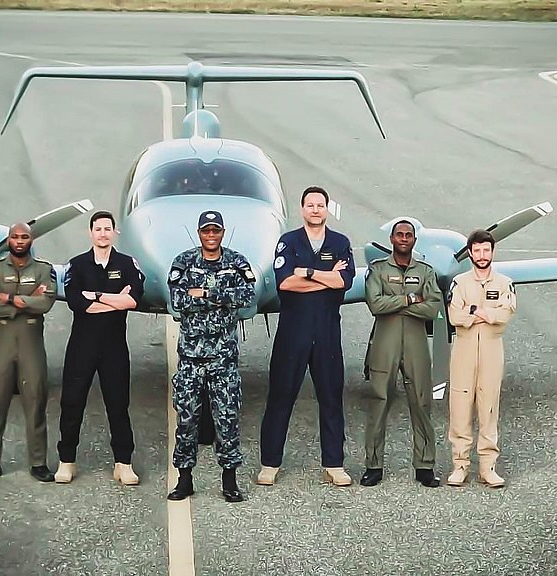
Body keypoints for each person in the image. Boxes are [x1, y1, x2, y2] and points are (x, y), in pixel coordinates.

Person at [258, 186, 355, 487]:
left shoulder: (340, 243)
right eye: (310, 205)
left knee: (331, 397)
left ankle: (334, 463)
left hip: (326, 332)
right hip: (293, 332)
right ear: (302, 209)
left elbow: (344, 282)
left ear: (327, 209)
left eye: (320, 205)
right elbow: (285, 284)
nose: (315, 209)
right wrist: (327, 277)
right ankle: (269, 463)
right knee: (280, 397)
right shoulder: (288, 242)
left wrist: (309, 274)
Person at [166, 210, 256, 502]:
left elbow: (246, 296)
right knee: (187, 419)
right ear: (200, 233)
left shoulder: (236, 262)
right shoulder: (183, 261)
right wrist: (220, 294)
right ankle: (184, 479)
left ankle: (229, 481)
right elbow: (178, 301)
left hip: (223, 358)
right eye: (206, 231)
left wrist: (204, 292)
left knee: (227, 420)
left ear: (222, 232)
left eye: (216, 230)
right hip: (191, 358)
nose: (211, 235)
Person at [55, 211, 144, 486]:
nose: (103, 233)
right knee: (72, 403)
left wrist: (96, 296)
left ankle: (123, 463)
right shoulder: (77, 265)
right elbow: (77, 304)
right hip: (82, 346)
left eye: (108, 229)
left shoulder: (127, 264)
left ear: (115, 233)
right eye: (98, 229)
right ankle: (66, 461)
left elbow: (132, 302)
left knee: (118, 405)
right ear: (90, 233)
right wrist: (115, 299)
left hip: (114, 347)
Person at [362, 219, 443, 488]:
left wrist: (393, 304)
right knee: (379, 399)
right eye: (400, 234)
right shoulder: (378, 270)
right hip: (385, 342)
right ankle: (373, 465)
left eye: (409, 235)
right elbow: (375, 304)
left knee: (421, 402)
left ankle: (425, 465)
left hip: (416, 343)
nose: (404, 238)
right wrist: (410, 299)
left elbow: (432, 308)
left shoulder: (426, 272)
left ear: (414, 241)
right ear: (392, 240)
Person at [0, 222, 57, 482]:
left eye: (24, 237)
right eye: (15, 236)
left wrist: (7, 298)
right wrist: (23, 302)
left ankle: (38, 462)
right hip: (1, 347)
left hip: (31, 347)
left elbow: (46, 303)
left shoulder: (44, 269)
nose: (19, 241)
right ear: (8, 239)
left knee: (36, 402)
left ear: (31, 240)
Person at [446, 229, 517, 488]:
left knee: (488, 406)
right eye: (477, 250)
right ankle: (460, 464)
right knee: (460, 406)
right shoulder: (459, 283)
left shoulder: (505, 282)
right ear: (471, 253)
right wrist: (485, 312)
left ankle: (488, 467)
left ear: (492, 252)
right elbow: (456, 318)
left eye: (486, 250)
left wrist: (473, 310)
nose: (482, 255)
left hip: (491, 349)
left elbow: (505, 314)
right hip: (464, 351)